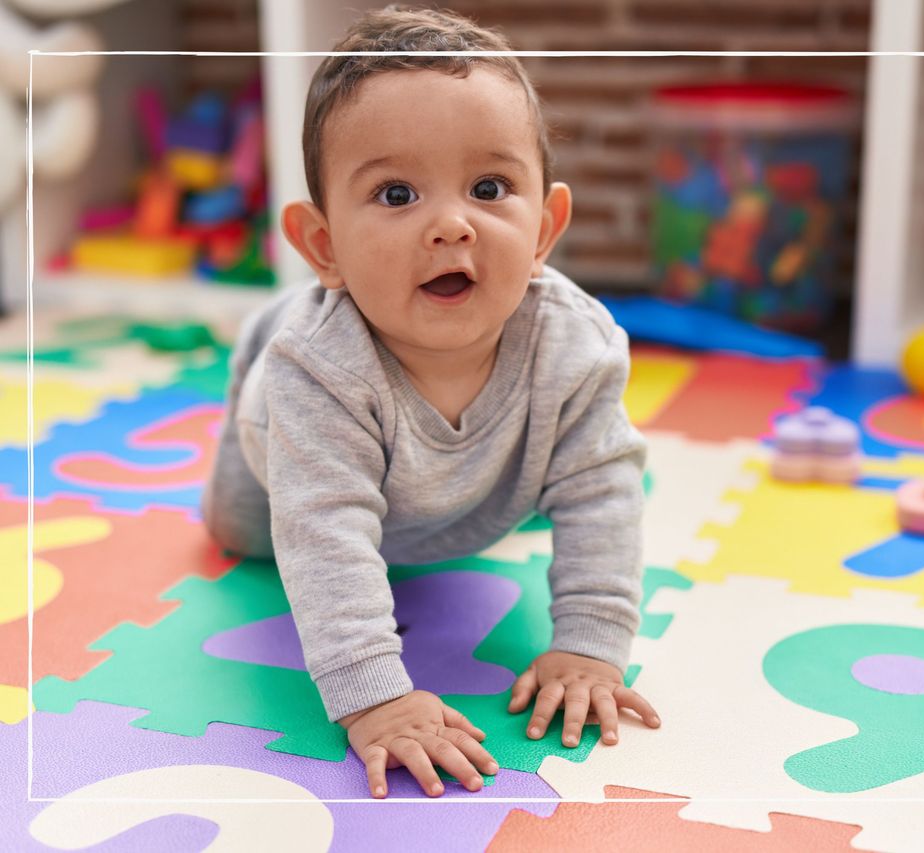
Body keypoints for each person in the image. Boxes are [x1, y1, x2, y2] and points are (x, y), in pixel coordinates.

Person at [201, 5, 659, 800]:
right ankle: (264, 337)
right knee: (246, 536)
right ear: (324, 247)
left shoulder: (576, 347)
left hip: (462, 491)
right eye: (396, 193)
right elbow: (324, 534)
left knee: (563, 483)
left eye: (489, 187)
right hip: (285, 448)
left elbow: (602, 494)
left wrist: (591, 644)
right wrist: (375, 696)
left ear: (546, 225)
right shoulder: (315, 371)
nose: (452, 224)